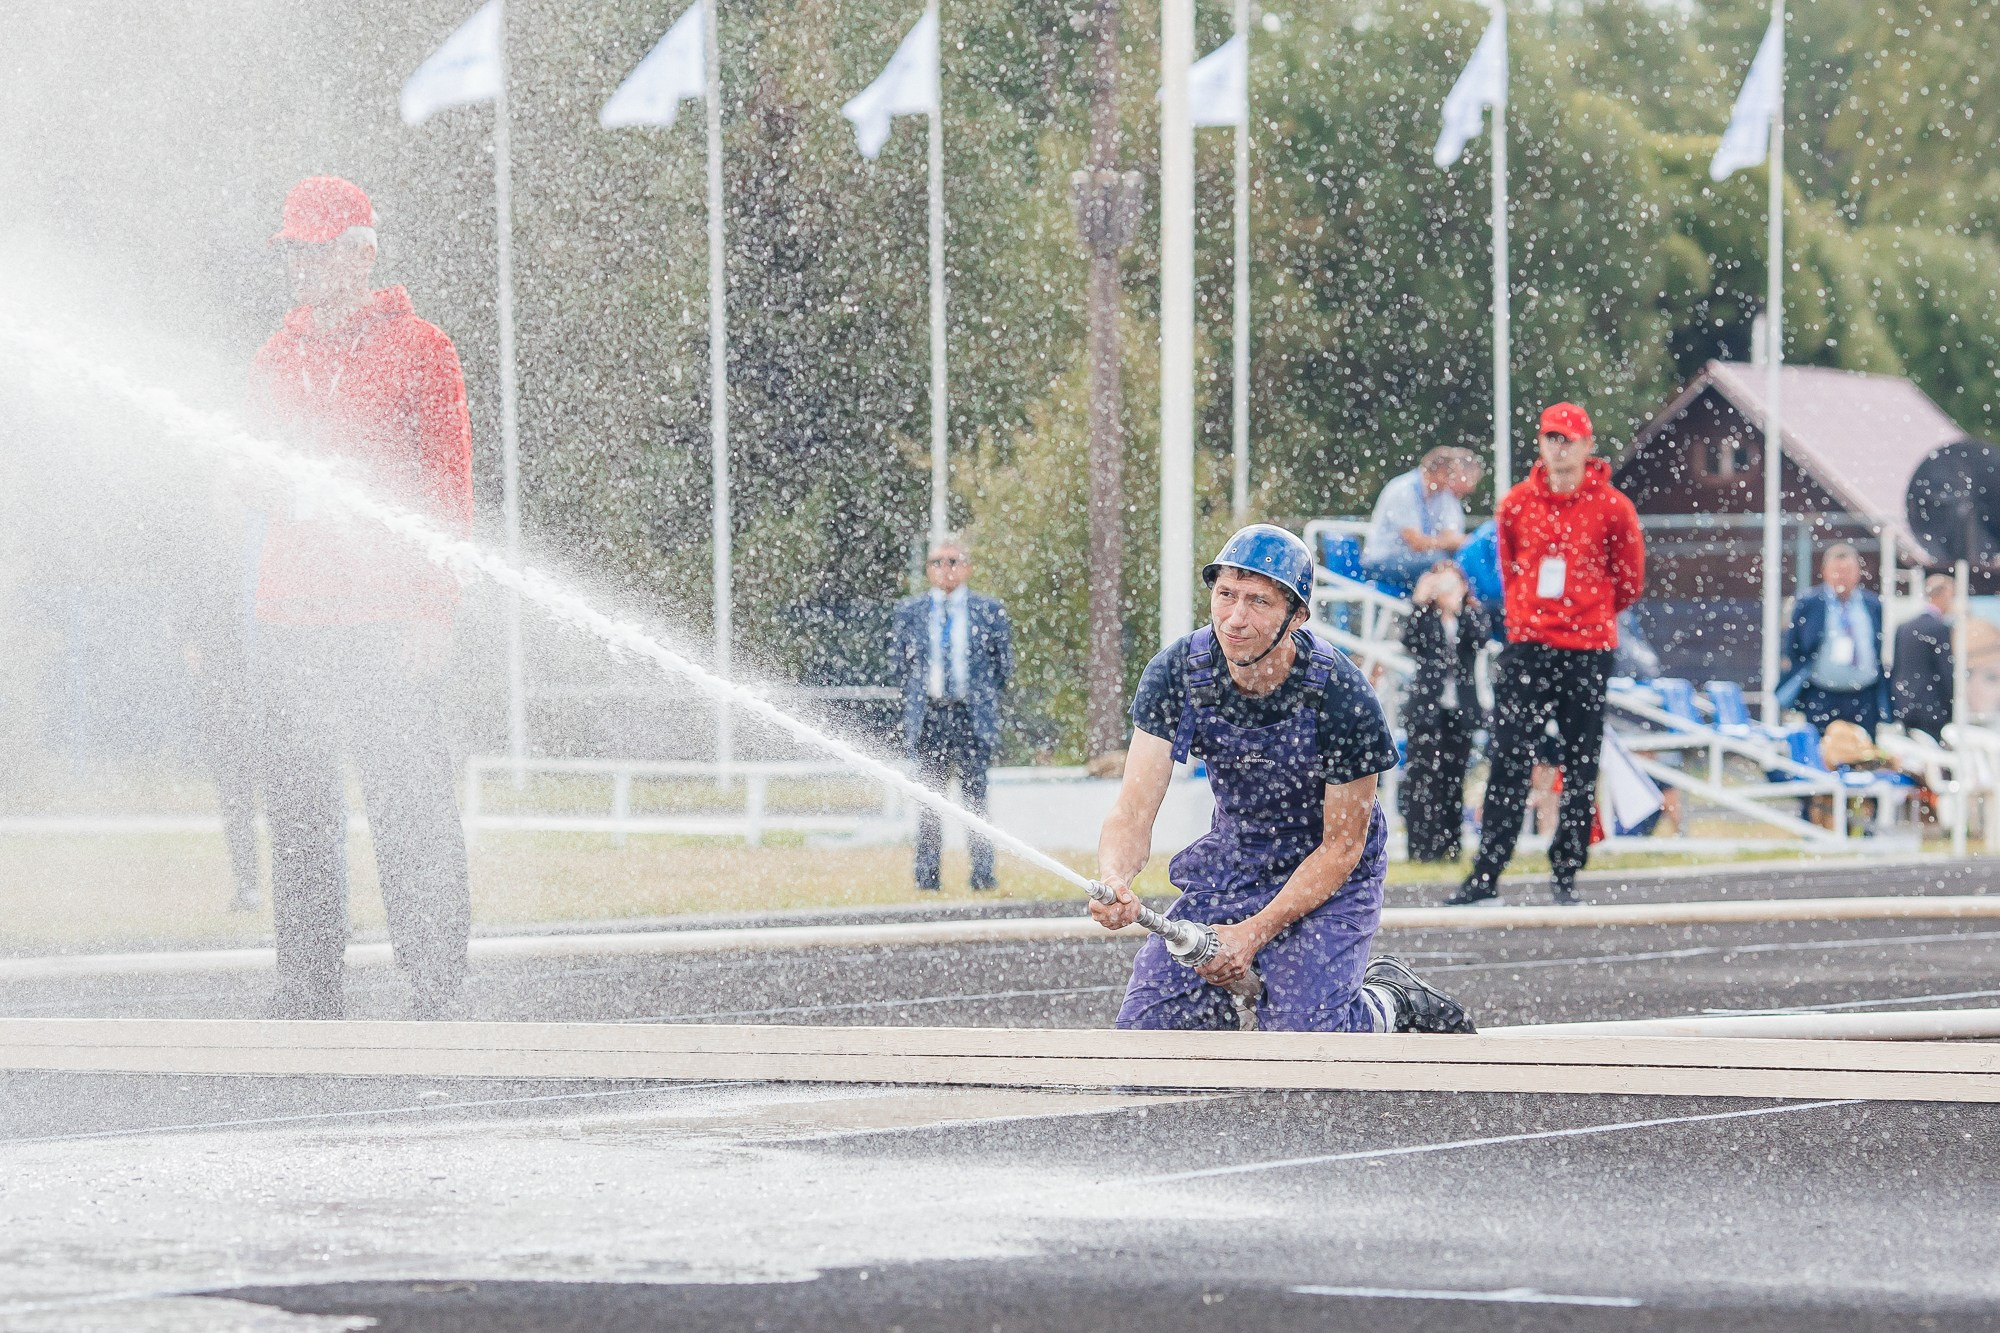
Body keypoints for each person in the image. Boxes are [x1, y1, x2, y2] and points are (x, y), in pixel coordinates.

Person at [1090, 524, 1475, 1033]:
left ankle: (1390, 1001)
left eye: (1258, 602)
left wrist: (1250, 935)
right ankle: (1241, 1012)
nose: (1235, 619)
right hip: (1237, 859)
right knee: (1148, 1037)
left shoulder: (1344, 695)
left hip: (1332, 872)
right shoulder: (1175, 674)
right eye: (1225, 595)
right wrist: (1115, 878)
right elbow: (1133, 813)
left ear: (1296, 617)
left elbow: (1342, 848)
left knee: (1304, 1038)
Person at [250, 176, 473, 1019]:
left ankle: (435, 977)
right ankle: (308, 981)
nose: (303, 268)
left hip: (387, 619)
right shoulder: (275, 357)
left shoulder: (422, 349)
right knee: (301, 809)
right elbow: (248, 476)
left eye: (317, 251)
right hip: (291, 617)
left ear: (361, 253)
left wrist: (434, 605)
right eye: (294, 253)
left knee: (409, 800)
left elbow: (450, 492)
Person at [1446, 403, 1645, 907]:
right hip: (1530, 648)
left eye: (1568, 439)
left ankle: (1566, 871)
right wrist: (1530, 618)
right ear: (1541, 444)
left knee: (1581, 763)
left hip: (1587, 650)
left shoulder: (1613, 508)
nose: (1559, 448)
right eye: (1551, 438)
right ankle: (1487, 872)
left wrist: (1587, 613)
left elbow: (1629, 582)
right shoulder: (1516, 504)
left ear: (1586, 446)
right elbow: (1509, 569)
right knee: (1509, 758)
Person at [892, 534, 1014, 892]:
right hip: (929, 717)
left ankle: (983, 876)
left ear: (967, 567)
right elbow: (900, 666)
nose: (945, 569)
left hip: (970, 716)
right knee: (929, 801)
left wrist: (979, 699)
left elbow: (1002, 668)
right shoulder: (910, 612)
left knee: (976, 799)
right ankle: (927, 878)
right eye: (937, 562)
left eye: (953, 561)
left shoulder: (988, 611)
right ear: (928, 570)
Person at [1399, 562, 1487, 862]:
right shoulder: (1426, 618)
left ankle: (1451, 846)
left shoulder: (1470, 617)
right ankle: (1421, 849)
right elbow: (1409, 640)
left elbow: (1480, 639)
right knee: (1422, 780)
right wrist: (1419, 602)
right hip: (1426, 710)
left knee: (1453, 779)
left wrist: (1459, 608)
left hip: (1460, 710)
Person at [1777, 543, 1888, 736]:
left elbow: (1877, 646)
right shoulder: (1809, 603)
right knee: (1822, 754)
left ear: (1858, 572)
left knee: (1863, 755)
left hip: (1864, 697)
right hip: (1823, 696)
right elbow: (1793, 647)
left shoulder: (1872, 604)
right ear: (1825, 572)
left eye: (1848, 570)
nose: (1842, 576)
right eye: (1837, 571)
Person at [1361, 447, 1483, 590]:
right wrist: (1450, 542)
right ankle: (1438, 609)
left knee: (1461, 564)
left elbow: (1450, 536)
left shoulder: (1441, 494)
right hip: (1383, 561)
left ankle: (1439, 608)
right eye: (1452, 475)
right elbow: (1417, 543)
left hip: (1416, 559)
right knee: (1443, 565)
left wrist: (1449, 542)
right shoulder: (1403, 490)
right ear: (1441, 473)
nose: (1453, 481)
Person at [1892, 573, 1956, 742]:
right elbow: (1945, 671)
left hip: (1906, 706)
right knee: (1933, 761)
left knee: (1915, 760)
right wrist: (1952, 705)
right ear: (1942, 596)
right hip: (1932, 709)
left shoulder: (1904, 627)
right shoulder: (1939, 628)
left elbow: (1896, 668)